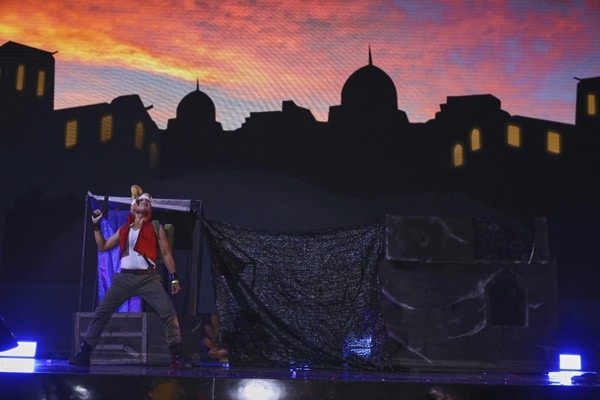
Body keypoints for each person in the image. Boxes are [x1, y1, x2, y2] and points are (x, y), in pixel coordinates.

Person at [69, 191, 184, 368]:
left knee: (168, 313)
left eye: (148, 201)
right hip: (124, 278)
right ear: (134, 207)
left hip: (148, 278)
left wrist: (174, 278)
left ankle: (176, 356)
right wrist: (96, 226)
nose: (145, 202)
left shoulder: (156, 227)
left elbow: (167, 253)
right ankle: (84, 354)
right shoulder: (125, 229)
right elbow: (103, 246)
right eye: (141, 200)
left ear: (150, 208)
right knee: (101, 312)